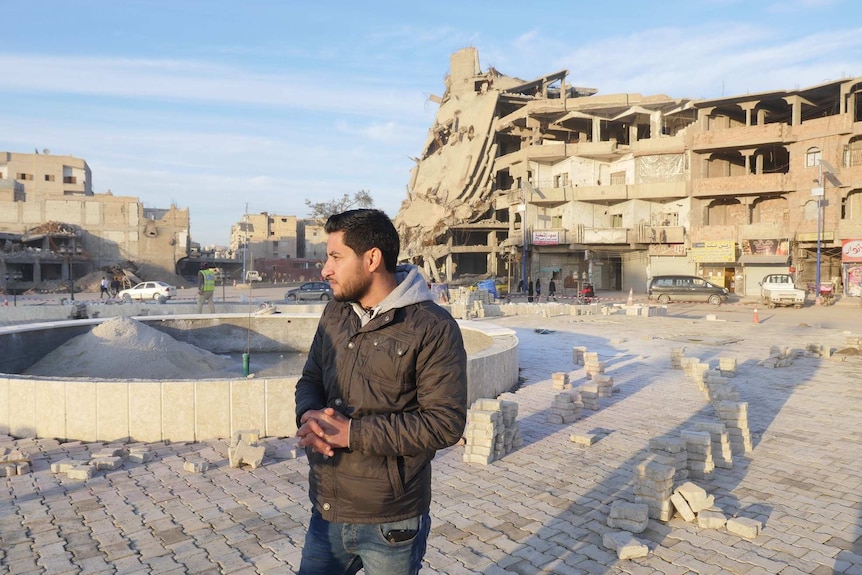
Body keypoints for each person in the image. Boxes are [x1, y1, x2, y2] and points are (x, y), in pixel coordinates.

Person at [295, 209, 468, 575]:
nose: (325, 269)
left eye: (336, 257)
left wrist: (352, 434)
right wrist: (308, 414)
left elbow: (445, 424)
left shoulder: (433, 328)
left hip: (392, 522)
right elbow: (310, 378)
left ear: (372, 258)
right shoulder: (335, 314)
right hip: (327, 511)